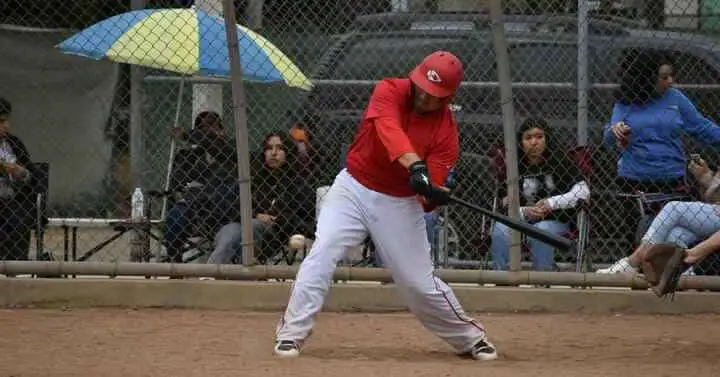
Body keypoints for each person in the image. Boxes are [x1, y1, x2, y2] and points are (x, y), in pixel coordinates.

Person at [273, 51, 498, 361]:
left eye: (433, 95)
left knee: (418, 284)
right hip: (353, 187)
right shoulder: (390, 89)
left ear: (447, 98)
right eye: (421, 86)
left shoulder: (446, 134)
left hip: (399, 202)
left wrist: (432, 192)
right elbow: (388, 129)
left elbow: (426, 194)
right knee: (323, 251)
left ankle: (470, 338)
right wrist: (415, 164)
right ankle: (291, 334)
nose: (423, 95)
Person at [602, 48, 720, 256]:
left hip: (671, 180)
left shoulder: (675, 98)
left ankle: (667, 277)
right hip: (634, 181)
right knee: (638, 238)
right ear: (646, 79)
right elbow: (609, 138)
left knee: (670, 240)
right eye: (664, 77)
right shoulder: (626, 103)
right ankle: (634, 276)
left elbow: (701, 127)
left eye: (671, 76)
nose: (670, 81)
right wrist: (615, 131)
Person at [490, 118, 589, 271]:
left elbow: (583, 191)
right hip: (521, 219)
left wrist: (551, 203)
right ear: (521, 142)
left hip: (556, 220)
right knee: (500, 229)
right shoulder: (514, 165)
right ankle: (501, 278)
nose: (534, 142)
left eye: (539, 137)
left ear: (547, 139)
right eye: (528, 138)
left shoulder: (560, 160)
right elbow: (504, 202)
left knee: (542, 230)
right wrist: (524, 211)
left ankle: (542, 279)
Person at [598, 153, 720, 274]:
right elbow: (714, 197)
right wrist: (706, 177)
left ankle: (633, 261)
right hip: (714, 211)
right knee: (676, 234)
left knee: (673, 208)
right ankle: (678, 277)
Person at [206, 131, 313, 264]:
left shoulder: (297, 180)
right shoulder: (252, 175)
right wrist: (256, 215)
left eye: (279, 148)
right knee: (232, 231)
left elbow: (303, 213)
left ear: (288, 152)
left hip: (274, 233)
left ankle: (236, 271)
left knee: (248, 227)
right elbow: (230, 204)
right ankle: (212, 273)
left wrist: (276, 218)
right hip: (241, 223)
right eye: (269, 148)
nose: (273, 153)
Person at [0, 97, 36, 262]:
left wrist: (20, 172)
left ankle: (16, 267)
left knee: (19, 216)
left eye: (7, 121)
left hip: (11, 201)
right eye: (1, 122)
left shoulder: (14, 144)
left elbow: (32, 178)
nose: (6, 126)